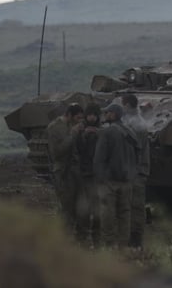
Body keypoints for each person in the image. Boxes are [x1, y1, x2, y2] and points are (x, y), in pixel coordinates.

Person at [94, 103, 138, 249]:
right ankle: (123, 244)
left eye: (107, 113)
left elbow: (99, 158)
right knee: (125, 213)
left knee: (108, 213)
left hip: (110, 181)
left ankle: (108, 244)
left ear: (113, 115)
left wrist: (99, 179)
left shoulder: (107, 132)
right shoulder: (130, 132)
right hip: (127, 181)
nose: (105, 115)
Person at [46, 103, 84, 237]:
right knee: (67, 207)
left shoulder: (72, 125)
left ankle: (77, 236)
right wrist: (73, 134)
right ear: (69, 115)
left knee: (78, 207)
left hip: (76, 171)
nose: (79, 121)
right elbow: (57, 152)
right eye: (77, 118)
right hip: (63, 172)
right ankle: (64, 237)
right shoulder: (55, 127)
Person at [121, 94, 150, 249]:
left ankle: (136, 241)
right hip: (131, 171)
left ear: (127, 105)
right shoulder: (131, 121)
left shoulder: (138, 124)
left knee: (136, 207)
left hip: (137, 171)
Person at [74, 103, 102, 247]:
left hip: (97, 174)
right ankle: (82, 234)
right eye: (89, 114)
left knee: (97, 207)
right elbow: (76, 149)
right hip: (84, 172)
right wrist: (83, 136)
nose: (91, 117)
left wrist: (99, 134)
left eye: (94, 115)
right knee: (83, 207)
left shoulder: (103, 130)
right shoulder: (80, 129)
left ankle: (96, 235)